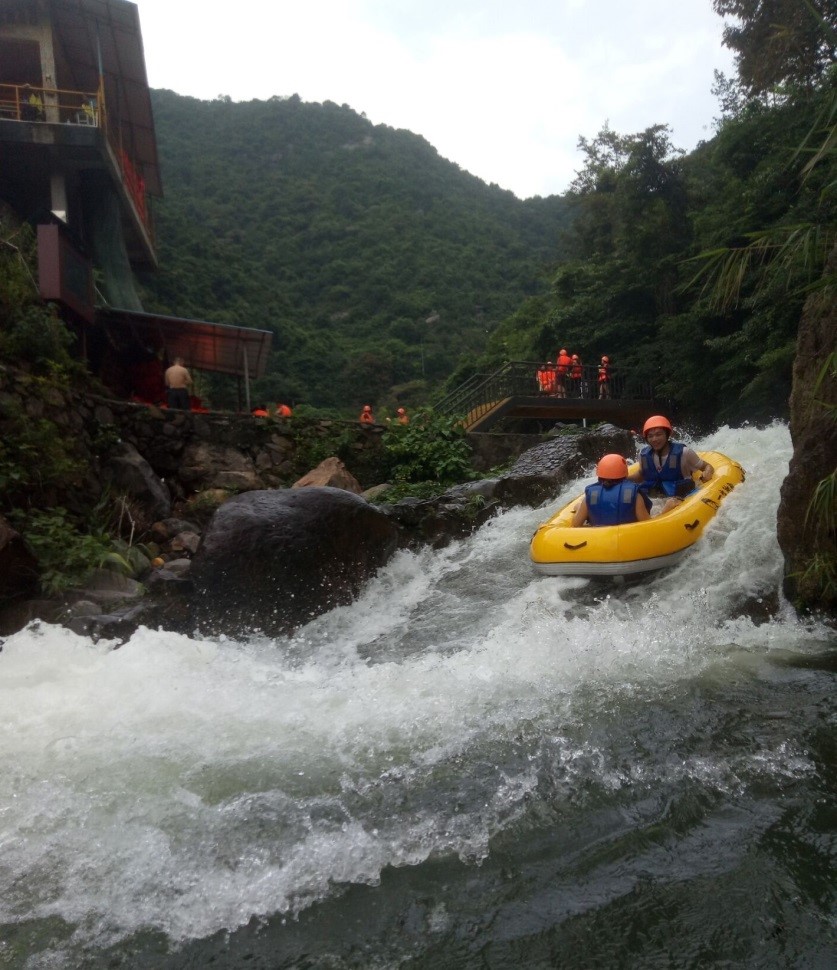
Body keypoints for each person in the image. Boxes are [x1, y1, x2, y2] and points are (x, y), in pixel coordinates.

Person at [629, 415, 714, 513]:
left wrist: (708, 472)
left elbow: (707, 466)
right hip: (654, 499)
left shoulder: (684, 453)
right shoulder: (643, 455)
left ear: (667, 434)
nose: (654, 439)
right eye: (650, 436)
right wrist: (623, 478)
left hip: (681, 497)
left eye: (658, 434)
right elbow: (641, 474)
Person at [572, 454, 651, 527]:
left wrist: (578, 508)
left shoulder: (592, 496)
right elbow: (647, 523)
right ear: (625, 473)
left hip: (599, 537)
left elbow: (576, 524)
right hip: (627, 536)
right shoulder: (633, 495)